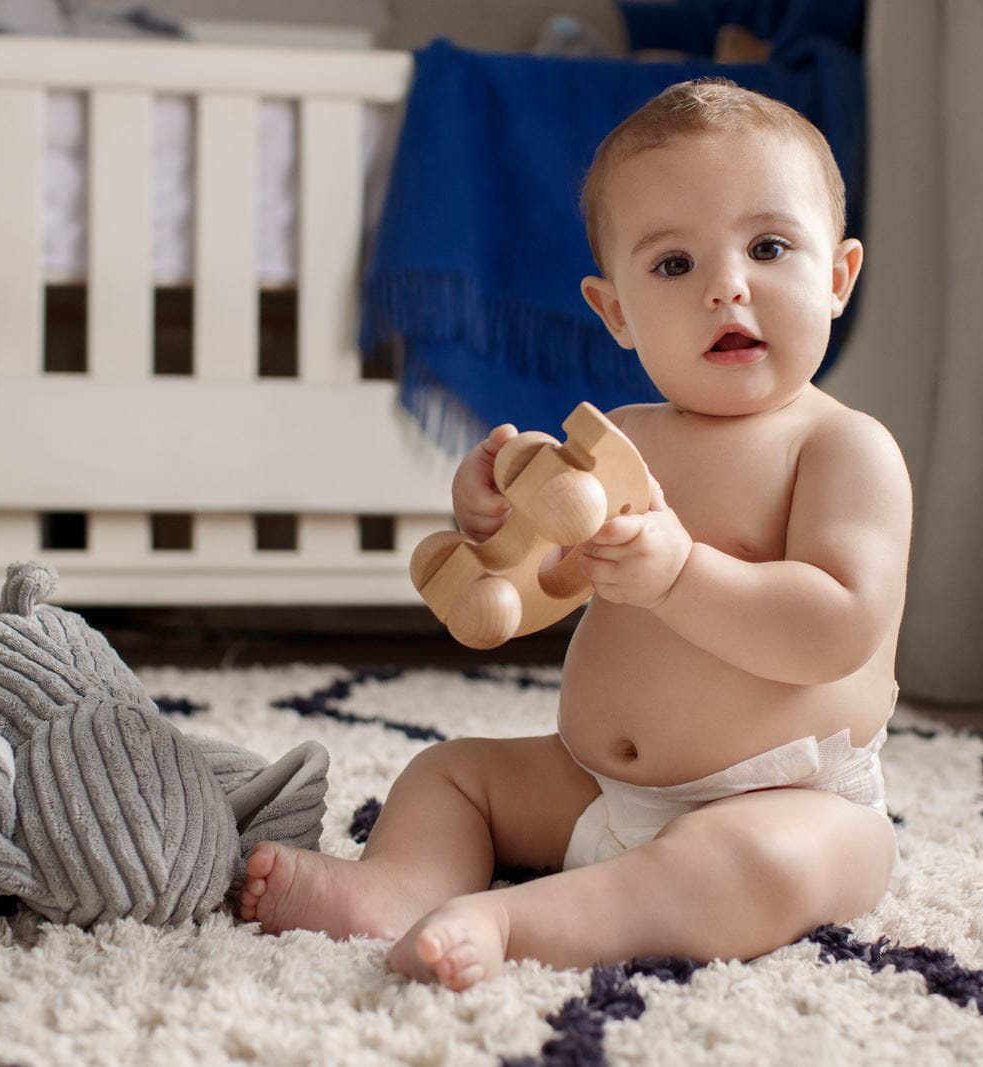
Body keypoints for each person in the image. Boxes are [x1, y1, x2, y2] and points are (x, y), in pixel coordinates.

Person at [238, 78, 911, 991]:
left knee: (759, 866)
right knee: (453, 773)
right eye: (675, 264)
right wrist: (494, 533)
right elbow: (550, 580)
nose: (726, 286)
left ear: (836, 278)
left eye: (768, 246)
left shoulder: (842, 448)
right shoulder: (621, 439)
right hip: (597, 785)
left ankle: (514, 919)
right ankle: (395, 888)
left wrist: (679, 575)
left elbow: (835, 628)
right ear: (617, 312)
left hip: (790, 797)